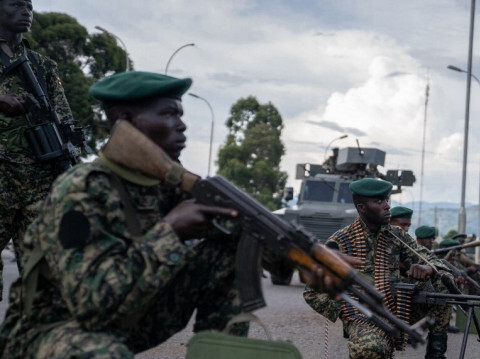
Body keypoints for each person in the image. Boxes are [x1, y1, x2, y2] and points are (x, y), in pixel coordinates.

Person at [0, 71, 339, 358]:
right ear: (126, 124)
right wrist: (171, 230)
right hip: (47, 332)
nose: (182, 126)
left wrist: (303, 261)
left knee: (228, 248)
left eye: (180, 114)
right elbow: (92, 306)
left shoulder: (168, 181)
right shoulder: (82, 189)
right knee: (102, 351)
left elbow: (241, 232)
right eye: (168, 114)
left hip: (125, 320)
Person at [303, 178, 457, 359]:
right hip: (363, 315)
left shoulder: (396, 235)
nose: (387, 206)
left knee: (443, 284)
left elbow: (434, 261)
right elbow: (312, 292)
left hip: (398, 307)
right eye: (379, 202)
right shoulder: (341, 241)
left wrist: (428, 268)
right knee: (370, 349)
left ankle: (435, 355)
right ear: (362, 207)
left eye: (387, 201)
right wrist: (346, 307)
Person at [0, 0, 79, 295]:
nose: (26, 12)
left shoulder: (43, 65)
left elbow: (63, 118)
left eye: (30, 7)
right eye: (16, 5)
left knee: (44, 276)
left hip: (38, 180)